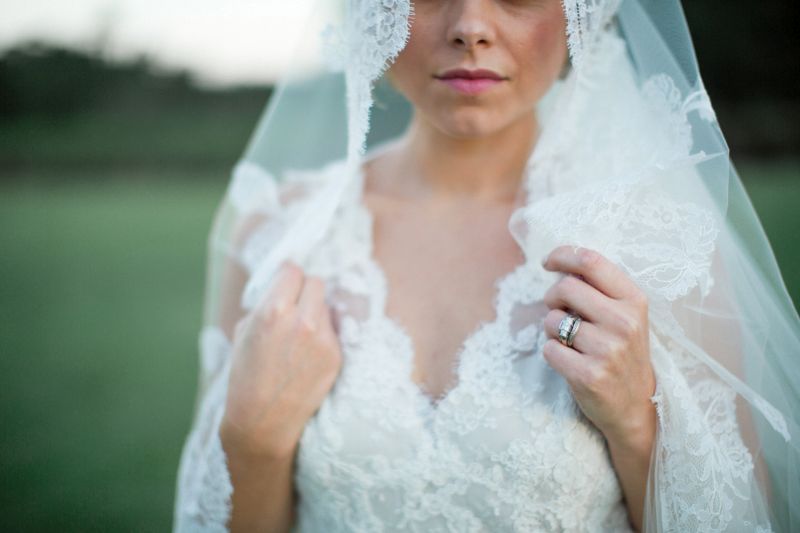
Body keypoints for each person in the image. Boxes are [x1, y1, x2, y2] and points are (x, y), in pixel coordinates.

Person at [173, 0, 800, 531]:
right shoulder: (282, 234)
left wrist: (639, 424)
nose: (470, 25)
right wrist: (253, 443)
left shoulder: (658, 246)